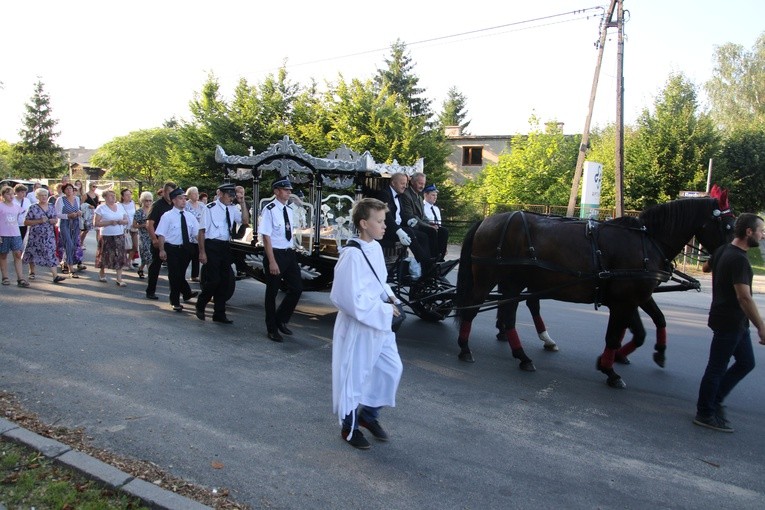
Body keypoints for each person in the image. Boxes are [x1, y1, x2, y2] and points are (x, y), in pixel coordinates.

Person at [331, 197, 403, 449]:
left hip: (380, 324)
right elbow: (346, 299)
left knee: (391, 370)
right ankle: (349, 428)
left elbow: (378, 281)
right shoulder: (351, 255)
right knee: (354, 377)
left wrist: (392, 298)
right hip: (360, 327)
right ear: (363, 223)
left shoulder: (373, 247)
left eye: (384, 221)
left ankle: (368, 415)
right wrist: (385, 310)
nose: (385, 226)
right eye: (380, 221)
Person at [694, 213, 765, 432]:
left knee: (746, 363)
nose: (763, 235)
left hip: (728, 319)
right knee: (716, 367)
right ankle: (705, 412)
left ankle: (715, 401)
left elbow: (706, 268)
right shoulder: (739, 260)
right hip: (730, 321)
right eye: (761, 231)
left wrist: (715, 261)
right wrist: (761, 327)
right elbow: (744, 297)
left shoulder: (724, 250)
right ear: (749, 232)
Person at [195, 183, 249, 323]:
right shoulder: (210, 208)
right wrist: (202, 252)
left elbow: (245, 220)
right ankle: (201, 303)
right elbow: (201, 232)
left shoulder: (232, 208)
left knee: (225, 280)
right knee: (213, 280)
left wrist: (242, 203)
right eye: (228, 195)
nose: (231, 198)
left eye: (233, 196)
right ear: (220, 194)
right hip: (212, 245)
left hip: (225, 245)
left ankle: (219, 313)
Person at [261, 178, 302, 341]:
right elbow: (266, 237)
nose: (289, 192)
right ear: (276, 191)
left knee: (297, 288)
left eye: (289, 190)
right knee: (272, 292)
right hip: (275, 254)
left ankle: (281, 319)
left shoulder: (289, 210)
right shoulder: (269, 210)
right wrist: (272, 261)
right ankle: (272, 328)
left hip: (288, 253)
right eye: (285, 190)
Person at [377, 172, 432, 275]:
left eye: (406, 183)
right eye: (402, 183)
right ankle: (425, 263)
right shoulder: (384, 194)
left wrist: (409, 220)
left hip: (399, 226)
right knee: (409, 232)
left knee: (423, 236)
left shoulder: (400, 195)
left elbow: (402, 214)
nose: (405, 186)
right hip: (386, 229)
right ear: (393, 183)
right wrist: (398, 231)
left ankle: (428, 263)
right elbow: (387, 217)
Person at [155, 188, 200, 312]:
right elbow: (161, 234)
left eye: (185, 198)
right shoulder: (167, 216)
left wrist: (203, 248)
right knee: (174, 275)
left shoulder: (190, 216)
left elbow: (197, 234)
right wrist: (162, 250)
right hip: (172, 248)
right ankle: (175, 301)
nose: (184, 201)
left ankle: (186, 293)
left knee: (180, 274)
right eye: (180, 198)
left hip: (186, 249)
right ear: (174, 200)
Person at [22, 188, 64, 284]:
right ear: (37, 197)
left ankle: (55, 276)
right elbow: (26, 222)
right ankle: (32, 271)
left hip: (48, 235)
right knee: (32, 252)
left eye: (45, 195)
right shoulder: (33, 207)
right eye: (41, 195)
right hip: (35, 235)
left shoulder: (51, 206)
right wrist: (39, 221)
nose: (44, 197)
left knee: (50, 253)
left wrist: (54, 221)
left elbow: (55, 219)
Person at [145, 182, 177, 300]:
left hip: (171, 241)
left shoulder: (174, 205)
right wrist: (154, 239)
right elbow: (150, 224)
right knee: (155, 266)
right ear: (164, 192)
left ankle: (185, 292)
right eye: (169, 192)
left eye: (173, 193)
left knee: (175, 268)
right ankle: (150, 291)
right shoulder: (157, 205)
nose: (171, 195)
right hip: (159, 240)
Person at [94, 190, 129, 286]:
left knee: (120, 255)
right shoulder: (101, 208)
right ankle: (102, 272)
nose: (113, 197)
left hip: (119, 234)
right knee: (105, 254)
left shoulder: (120, 206)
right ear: (105, 197)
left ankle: (119, 278)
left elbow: (127, 220)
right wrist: (109, 222)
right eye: (110, 196)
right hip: (107, 235)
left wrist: (122, 221)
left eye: (114, 195)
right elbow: (96, 223)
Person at [0, 185, 29, 287]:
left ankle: (20, 278)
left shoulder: (17, 207)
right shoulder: (1, 206)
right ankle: (5, 277)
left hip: (15, 233)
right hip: (3, 234)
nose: (11, 196)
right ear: (3, 195)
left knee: (17, 255)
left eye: (12, 193)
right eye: (8, 194)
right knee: (3, 255)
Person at [55, 182, 85, 278]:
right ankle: (71, 269)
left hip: (75, 223)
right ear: (64, 191)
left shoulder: (77, 199)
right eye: (67, 189)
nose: (69, 190)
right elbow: (57, 214)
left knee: (73, 245)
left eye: (71, 189)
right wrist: (68, 216)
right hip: (65, 223)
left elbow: (78, 209)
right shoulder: (61, 200)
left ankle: (66, 263)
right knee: (69, 244)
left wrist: (79, 212)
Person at [421, 183, 449, 261]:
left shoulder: (436, 209)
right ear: (426, 195)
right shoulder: (422, 207)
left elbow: (440, 225)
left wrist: (444, 247)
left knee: (444, 231)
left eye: (436, 195)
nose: (435, 197)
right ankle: (434, 258)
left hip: (438, 234)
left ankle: (440, 258)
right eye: (433, 195)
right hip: (428, 233)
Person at [184, 186, 205, 283]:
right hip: (189, 233)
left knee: (197, 254)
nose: (197, 195)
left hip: (199, 233)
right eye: (194, 193)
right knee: (188, 255)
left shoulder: (202, 205)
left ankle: (195, 275)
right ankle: (182, 273)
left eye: (197, 193)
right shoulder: (186, 205)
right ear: (189, 195)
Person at [133, 191, 153, 279]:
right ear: (142, 201)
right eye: (146, 201)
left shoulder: (153, 210)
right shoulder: (139, 212)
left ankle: (140, 268)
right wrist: (143, 225)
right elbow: (134, 225)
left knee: (149, 255)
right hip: (143, 236)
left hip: (152, 235)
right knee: (147, 254)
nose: (148, 203)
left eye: (150, 201)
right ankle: (151, 274)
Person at [119, 189, 138, 266]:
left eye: (130, 194)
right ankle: (124, 260)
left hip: (133, 227)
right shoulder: (119, 205)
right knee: (125, 246)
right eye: (127, 195)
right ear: (123, 197)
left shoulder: (132, 203)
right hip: (124, 229)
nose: (129, 196)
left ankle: (129, 260)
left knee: (135, 246)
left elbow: (135, 214)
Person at [80, 182, 99, 249]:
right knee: (86, 230)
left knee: (98, 230)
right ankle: (81, 242)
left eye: (96, 186)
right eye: (93, 186)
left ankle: (99, 244)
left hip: (95, 213)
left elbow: (97, 204)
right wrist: (88, 206)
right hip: (87, 214)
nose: (94, 188)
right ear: (90, 186)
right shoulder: (85, 195)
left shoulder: (97, 195)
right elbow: (81, 205)